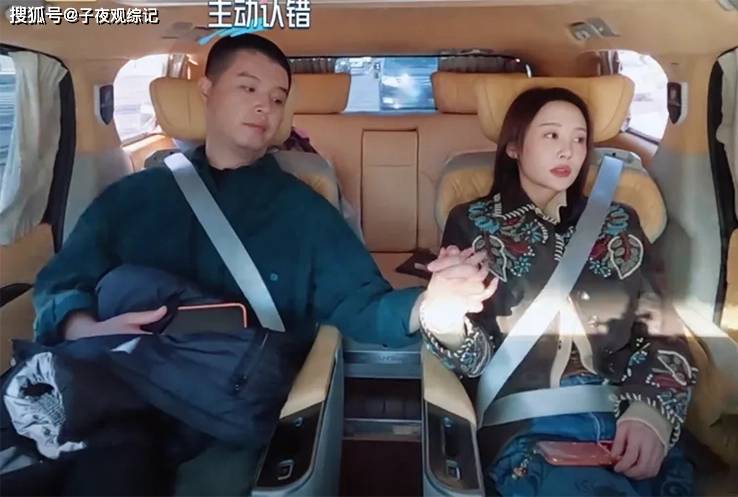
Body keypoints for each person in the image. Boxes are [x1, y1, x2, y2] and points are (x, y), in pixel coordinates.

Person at [31, 34, 495, 495]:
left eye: (277, 98)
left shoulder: (305, 211)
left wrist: (428, 306)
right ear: (207, 90)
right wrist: (86, 329)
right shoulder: (130, 198)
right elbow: (62, 282)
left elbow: (362, 303)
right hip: (119, 393)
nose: (264, 106)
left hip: (226, 407)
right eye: (247, 87)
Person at [421, 87, 699, 496]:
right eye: (551, 135)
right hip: (528, 427)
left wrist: (650, 412)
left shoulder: (621, 221)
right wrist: (444, 318)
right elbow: (472, 357)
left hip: (627, 418)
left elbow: (662, 325)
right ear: (514, 146)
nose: (568, 150)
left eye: (579, 138)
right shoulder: (473, 222)